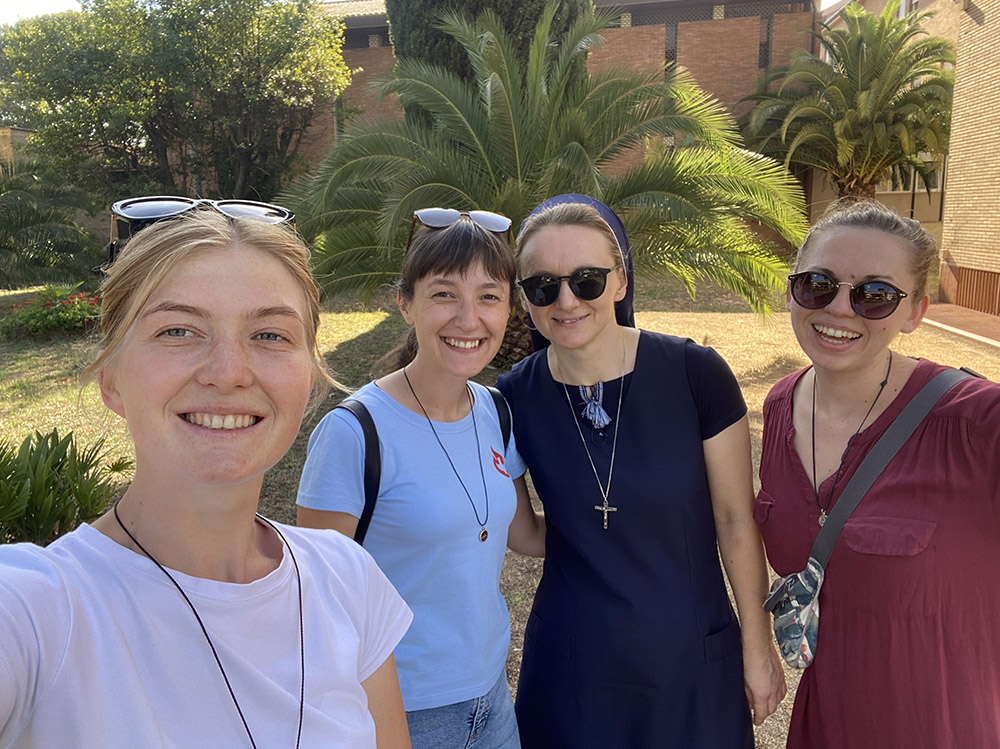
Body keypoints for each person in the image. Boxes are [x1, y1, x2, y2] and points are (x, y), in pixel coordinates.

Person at [0, 206, 414, 748]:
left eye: (269, 335)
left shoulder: (348, 580)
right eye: (178, 330)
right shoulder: (37, 611)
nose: (228, 373)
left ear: (310, 381)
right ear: (111, 380)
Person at [496, 195, 785, 748]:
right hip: (572, 664)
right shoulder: (511, 398)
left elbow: (734, 520)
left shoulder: (696, 373)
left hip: (691, 655)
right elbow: (527, 536)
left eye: (587, 280)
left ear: (621, 282)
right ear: (524, 299)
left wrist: (758, 644)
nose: (566, 300)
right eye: (542, 286)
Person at [296, 208, 545, 749]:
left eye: (488, 296)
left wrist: (627, 518)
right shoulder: (354, 433)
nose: (468, 318)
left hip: (493, 700)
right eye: (443, 295)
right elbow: (316, 604)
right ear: (405, 304)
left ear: (510, 309)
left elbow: (524, 536)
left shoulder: (496, 413)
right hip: (403, 712)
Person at [756, 200, 1000, 748]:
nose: (840, 309)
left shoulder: (976, 423)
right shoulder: (778, 407)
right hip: (825, 724)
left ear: (915, 312)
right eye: (818, 284)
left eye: (874, 295)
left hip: (942, 729)